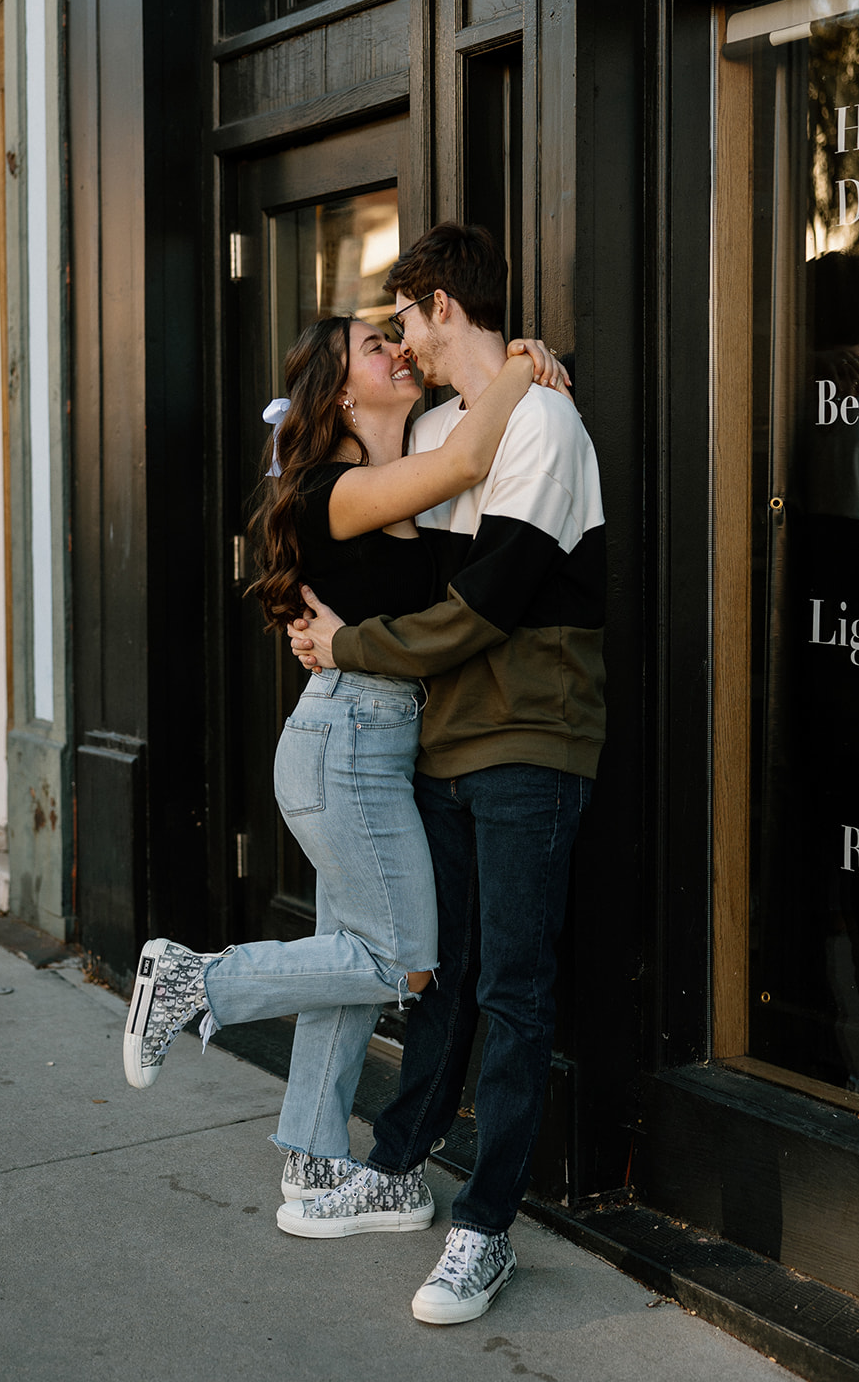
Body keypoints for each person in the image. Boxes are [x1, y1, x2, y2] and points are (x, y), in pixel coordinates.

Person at [122, 309, 568, 1209]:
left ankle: (312, 1154)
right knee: (402, 962)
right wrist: (521, 368)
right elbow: (467, 461)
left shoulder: (389, 476)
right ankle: (193, 979)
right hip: (350, 746)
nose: (398, 350)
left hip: (370, 743)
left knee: (347, 952)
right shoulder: (335, 487)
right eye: (376, 345)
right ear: (338, 391)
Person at [280, 222, 606, 1328]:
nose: (400, 342)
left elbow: (481, 607)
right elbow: (378, 532)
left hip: (528, 744)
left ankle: (485, 1227)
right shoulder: (436, 425)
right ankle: (398, 1159)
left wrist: (348, 647)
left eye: (404, 319)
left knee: (513, 990)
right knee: (435, 967)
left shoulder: (545, 425)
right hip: (442, 745)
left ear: (439, 308)